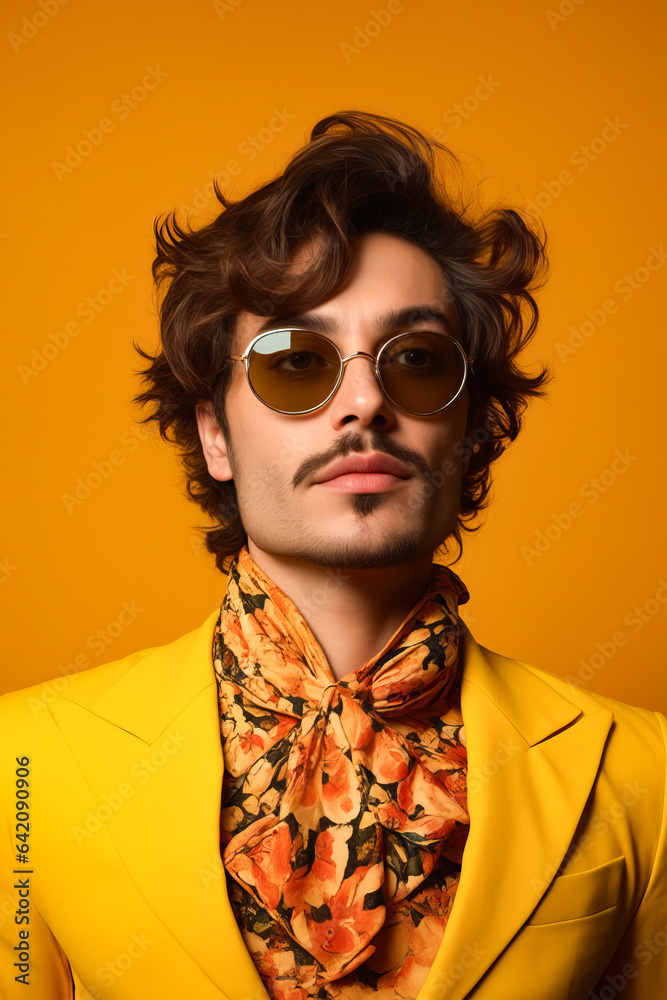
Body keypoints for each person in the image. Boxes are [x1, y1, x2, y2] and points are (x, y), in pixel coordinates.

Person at [0, 111, 665, 1000]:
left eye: (417, 359)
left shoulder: (641, 771)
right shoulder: (24, 766)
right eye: (294, 361)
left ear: (470, 429)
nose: (363, 401)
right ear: (215, 436)